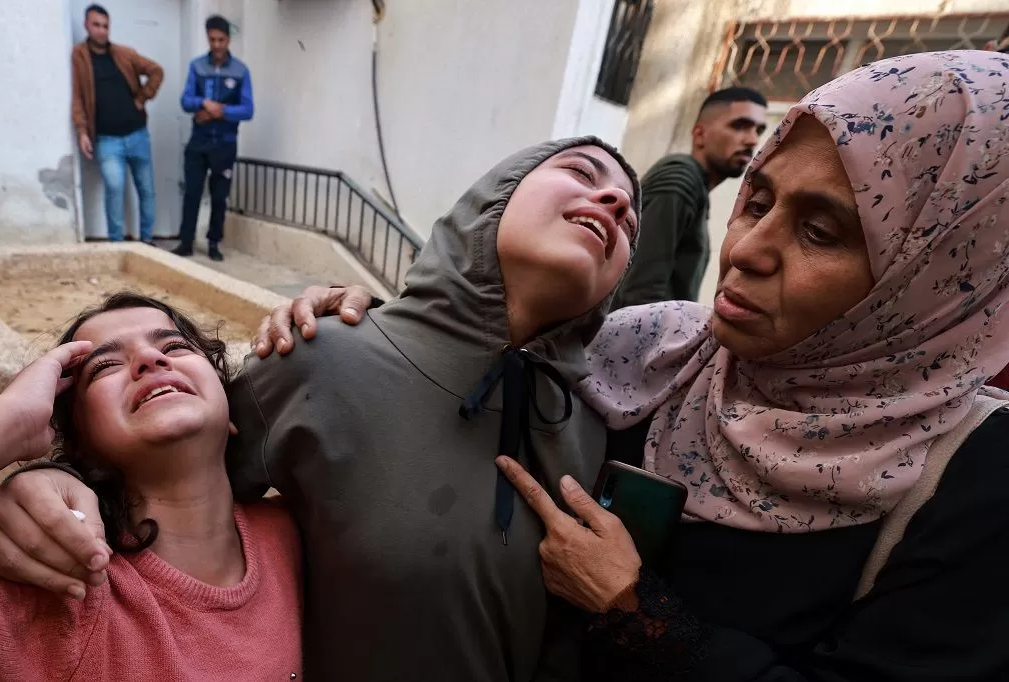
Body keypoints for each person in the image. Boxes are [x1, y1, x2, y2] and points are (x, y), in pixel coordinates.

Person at [244, 50, 1009, 680]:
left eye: (819, 232)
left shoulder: (973, 480)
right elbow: (463, 352)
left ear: (937, 280)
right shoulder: (651, 355)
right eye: (756, 200)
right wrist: (364, 330)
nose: (746, 250)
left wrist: (641, 614)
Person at [0, 138, 640, 681]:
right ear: (490, 198)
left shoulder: (589, 428)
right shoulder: (319, 357)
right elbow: (171, 473)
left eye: (634, 221)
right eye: (582, 173)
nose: (615, 203)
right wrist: (48, 479)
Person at [0, 292, 301, 680]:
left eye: (175, 347)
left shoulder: (304, 531)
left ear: (231, 409)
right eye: (105, 366)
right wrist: (8, 421)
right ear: (81, 444)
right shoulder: (50, 582)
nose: (151, 359)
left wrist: (348, 320)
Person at [613, 87, 767, 308]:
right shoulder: (679, 179)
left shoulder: (695, 186)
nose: (752, 140)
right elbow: (640, 292)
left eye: (758, 130)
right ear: (700, 134)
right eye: (740, 126)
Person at [72, 4, 163, 244]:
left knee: (146, 190)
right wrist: (82, 130)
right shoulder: (79, 56)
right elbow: (78, 97)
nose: (101, 31)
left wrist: (143, 97)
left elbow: (156, 70)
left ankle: (147, 241)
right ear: (86, 25)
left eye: (105, 26)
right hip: (107, 140)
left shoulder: (124, 54)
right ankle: (116, 245)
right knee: (114, 189)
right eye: (96, 25)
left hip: (137, 135)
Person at [172, 15, 254, 262]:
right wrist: (203, 103)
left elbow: (248, 110)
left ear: (228, 39)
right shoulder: (197, 66)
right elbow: (186, 101)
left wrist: (222, 111)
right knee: (192, 192)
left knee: (219, 197)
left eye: (221, 40)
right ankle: (186, 242)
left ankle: (213, 243)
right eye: (212, 40)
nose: (216, 45)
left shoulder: (240, 71)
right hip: (199, 141)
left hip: (225, 144)